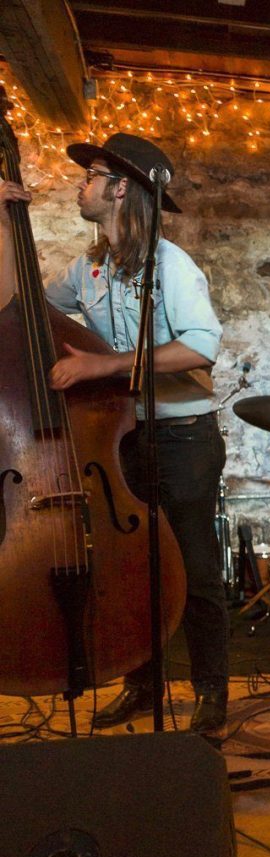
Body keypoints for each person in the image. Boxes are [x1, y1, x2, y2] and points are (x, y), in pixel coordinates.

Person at [0, 133, 229, 731]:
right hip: (122, 440)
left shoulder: (173, 267)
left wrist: (102, 365)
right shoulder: (89, 267)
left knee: (196, 570)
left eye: (91, 175)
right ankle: (144, 683)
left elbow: (202, 348)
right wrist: (3, 223)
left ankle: (211, 693)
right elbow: (20, 307)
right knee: (134, 568)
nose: (82, 184)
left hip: (183, 440)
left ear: (121, 187)